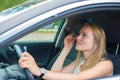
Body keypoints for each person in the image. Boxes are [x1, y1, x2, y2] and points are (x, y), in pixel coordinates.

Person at [19, 23, 113, 80]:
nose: (78, 38)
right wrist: (66, 49)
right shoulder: (80, 61)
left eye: (84, 35)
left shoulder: (106, 64)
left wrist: (40, 71)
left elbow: (79, 78)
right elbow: (55, 73)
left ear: (97, 42)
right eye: (79, 34)